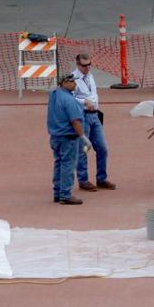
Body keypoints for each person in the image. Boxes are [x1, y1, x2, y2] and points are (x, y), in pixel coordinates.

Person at [71, 53, 116, 192]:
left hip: (95, 115)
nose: (87, 67)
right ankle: (83, 180)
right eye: (84, 65)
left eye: (89, 64)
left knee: (102, 148)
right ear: (78, 64)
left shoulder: (90, 76)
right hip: (83, 116)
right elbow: (69, 99)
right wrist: (84, 101)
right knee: (83, 150)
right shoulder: (72, 78)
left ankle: (101, 178)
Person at [47, 73, 93, 205]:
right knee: (68, 165)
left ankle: (57, 192)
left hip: (55, 136)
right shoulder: (69, 100)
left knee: (59, 163)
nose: (75, 84)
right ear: (65, 83)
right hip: (68, 137)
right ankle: (65, 195)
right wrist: (84, 138)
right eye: (72, 82)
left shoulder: (54, 94)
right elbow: (75, 121)